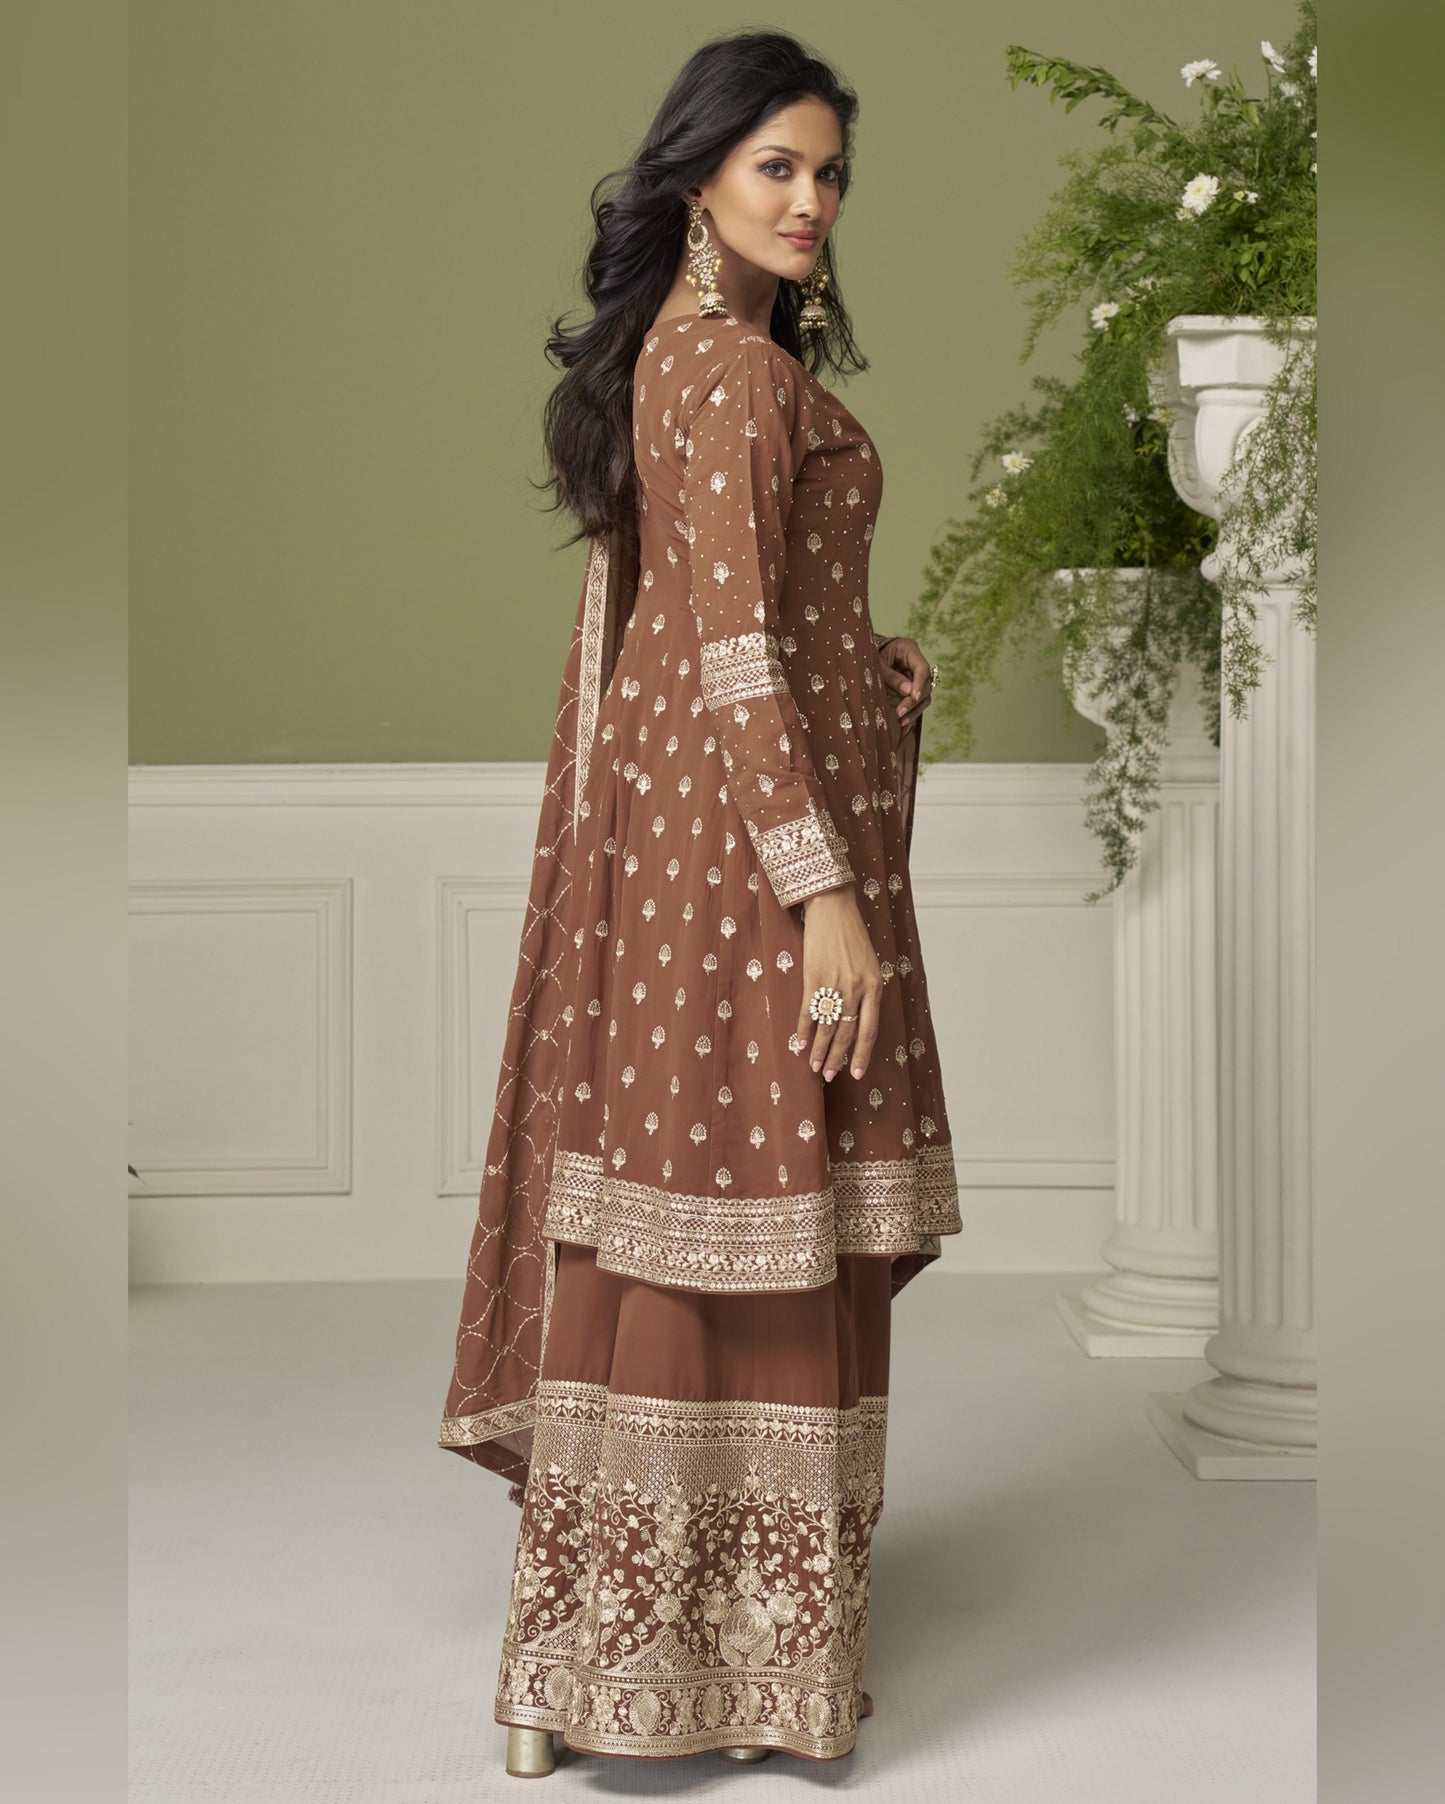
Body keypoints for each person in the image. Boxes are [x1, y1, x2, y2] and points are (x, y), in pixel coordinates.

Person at [437, 28, 961, 1773]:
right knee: (730, 1219)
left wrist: (863, 663)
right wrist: (821, 898)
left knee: (676, 1207)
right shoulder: (725, 373)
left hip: (691, 842)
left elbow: (722, 628)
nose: (812, 202)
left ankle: (595, 1669)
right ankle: (687, 1665)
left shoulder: (694, 357)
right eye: (779, 171)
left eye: (829, 175)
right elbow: (727, 654)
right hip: (743, 863)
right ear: (694, 181)